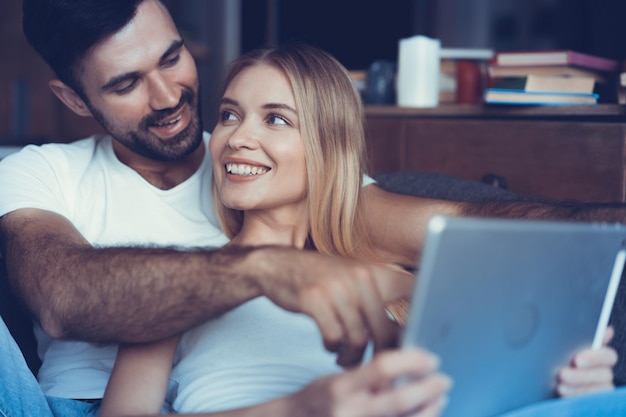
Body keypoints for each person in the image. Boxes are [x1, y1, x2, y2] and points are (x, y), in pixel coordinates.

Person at [0, 0, 625, 416]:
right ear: (75, 99)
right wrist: (266, 280)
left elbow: (475, 252)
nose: (169, 96)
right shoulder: (50, 181)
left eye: (171, 58)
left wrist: (558, 379)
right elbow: (64, 297)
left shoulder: (376, 267)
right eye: (127, 83)